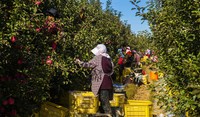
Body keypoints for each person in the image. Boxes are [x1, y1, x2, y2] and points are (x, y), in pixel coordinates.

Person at [75, 44, 114, 116]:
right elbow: (111, 71)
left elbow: (88, 64)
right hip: (108, 82)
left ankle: (109, 115)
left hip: (101, 83)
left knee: (104, 101)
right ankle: (106, 114)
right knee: (104, 101)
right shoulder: (108, 58)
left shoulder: (98, 58)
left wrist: (79, 62)